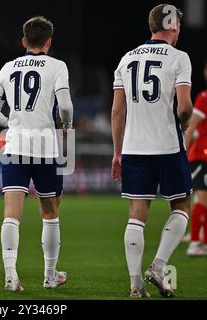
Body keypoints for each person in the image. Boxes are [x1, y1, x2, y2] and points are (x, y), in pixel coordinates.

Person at [111, 4, 193, 298]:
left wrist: (117, 152)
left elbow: (117, 112)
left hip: (133, 148)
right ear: (172, 25)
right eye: (178, 25)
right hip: (168, 145)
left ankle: (135, 286)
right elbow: (184, 107)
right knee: (182, 206)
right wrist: (184, 126)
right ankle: (158, 267)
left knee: (137, 214)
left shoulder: (127, 58)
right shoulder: (179, 58)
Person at [0, 16, 73, 291]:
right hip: (46, 147)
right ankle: (49, 276)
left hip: (15, 147)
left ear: (24, 41)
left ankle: (11, 276)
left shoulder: (7, 68)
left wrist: (11, 122)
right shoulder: (57, 66)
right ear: (49, 41)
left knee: (11, 214)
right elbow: (67, 107)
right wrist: (66, 128)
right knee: (50, 213)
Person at [185, 59, 207, 256]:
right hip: (201, 156)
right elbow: (192, 127)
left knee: (202, 198)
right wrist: (184, 153)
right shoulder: (204, 97)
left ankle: (202, 240)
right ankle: (195, 242)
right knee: (201, 197)